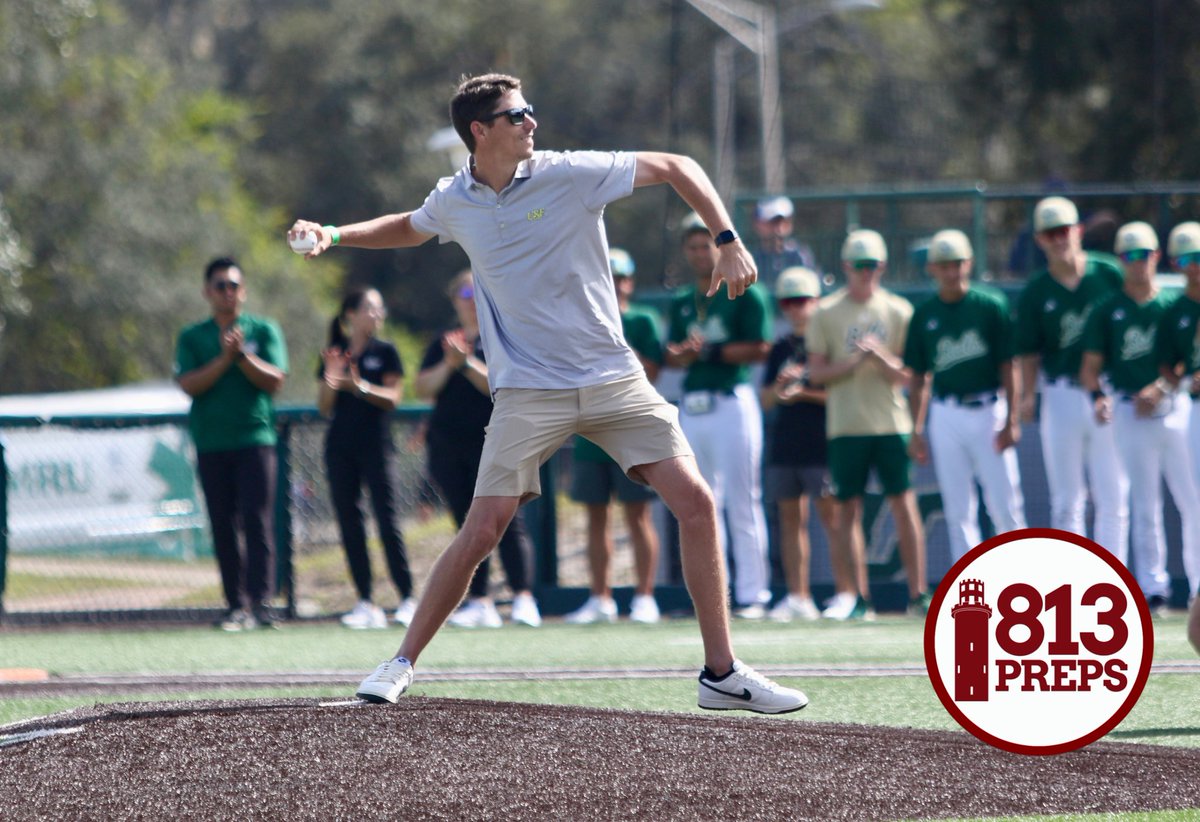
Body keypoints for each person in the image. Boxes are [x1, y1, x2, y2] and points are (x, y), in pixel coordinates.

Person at [289, 73, 806, 713]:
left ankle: (721, 675)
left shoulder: (569, 172)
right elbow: (409, 225)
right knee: (482, 529)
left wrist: (728, 239)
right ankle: (398, 664)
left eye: (529, 111)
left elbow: (679, 165)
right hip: (529, 391)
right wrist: (334, 234)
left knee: (696, 502)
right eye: (517, 115)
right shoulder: (454, 198)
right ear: (480, 131)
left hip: (613, 378)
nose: (532, 122)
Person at [807, 229, 930, 619]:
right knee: (848, 509)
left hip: (891, 423)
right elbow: (817, 373)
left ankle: (918, 594)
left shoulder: (898, 310)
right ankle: (858, 597)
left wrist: (879, 357)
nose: (866, 273)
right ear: (846, 267)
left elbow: (910, 376)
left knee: (904, 504)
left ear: (883, 267)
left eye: (873, 266)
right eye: (860, 266)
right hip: (845, 426)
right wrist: (855, 362)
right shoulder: (826, 312)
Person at [1083, 222, 1200, 615]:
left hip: (1177, 407)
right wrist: (1099, 397)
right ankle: (1154, 588)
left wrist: (1162, 388)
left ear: (1157, 257)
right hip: (1131, 408)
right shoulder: (1108, 309)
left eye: (1145, 254)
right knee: (1144, 501)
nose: (1138, 263)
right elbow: (1091, 367)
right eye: (1130, 256)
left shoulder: (1172, 305)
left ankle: (1197, 586)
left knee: (1193, 500)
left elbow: (1181, 361)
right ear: (1120, 260)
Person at [417, 270, 541, 629]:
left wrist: (467, 363)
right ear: (455, 300)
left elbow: (502, 384)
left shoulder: (501, 335)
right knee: (467, 523)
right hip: (448, 445)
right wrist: (449, 363)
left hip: (496, 442)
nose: (472, 301)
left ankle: (523, 597)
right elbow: (423, 387)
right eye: (466, 294)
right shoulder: (443, 341)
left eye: (477, 293)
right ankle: (480, 600)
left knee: (508, 520)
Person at [665, 213, 773, 619]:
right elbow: (671, 355)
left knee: (743, 500)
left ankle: (753, 594)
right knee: (701, 503)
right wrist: (682, 355)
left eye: (705, 245)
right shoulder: (681, 300)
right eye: (692, 246)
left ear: (719, 246)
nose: (699, 253)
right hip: (693, 404)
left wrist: (708, 352)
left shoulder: (743, 289)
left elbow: (760, 347)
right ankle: (714, 597)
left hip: (731, 400)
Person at [175, 257, 288, 631]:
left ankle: (262, 604)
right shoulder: (193, 337)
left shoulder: (264, 329)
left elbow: (275, 380)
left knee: (258, 522)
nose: (228, 292)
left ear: (244, 291)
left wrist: (242, 357)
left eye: (234, 285)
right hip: (212, 442)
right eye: (220, 285)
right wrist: (225, 359)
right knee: (223, 525)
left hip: (255, 439)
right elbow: (189, 384)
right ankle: (235, 606)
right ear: (207, 292)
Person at [1015, 196, 1128, 561]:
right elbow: (1029, 351)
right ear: (1039, 240)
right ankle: (1074, 579)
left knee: (1113, 493)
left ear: (1078, 230)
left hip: (1107, 389)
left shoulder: (1108, 273)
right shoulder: (1036, 291)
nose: (1059, 239)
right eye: (1050, 234)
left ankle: (1115, 578)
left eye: (1064, 230)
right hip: (1061, 391)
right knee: (1067, 499)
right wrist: (1027, 395)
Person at [904, 230, 1026, 563]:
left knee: (1005, 505)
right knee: (958, 509)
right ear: (931, 268)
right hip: (947, 411)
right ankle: (972, 583)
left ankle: (1021, 577)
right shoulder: (925, 314)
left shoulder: (990, 305)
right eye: (943, 265)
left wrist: (1012, 419)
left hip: (989, 408)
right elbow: (919, 378)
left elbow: (1009, 365)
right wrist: (916, 429)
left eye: (956, 263)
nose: (951, 271)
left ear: (969, 264)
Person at [566, 248, 663, 625]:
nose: (617, 285)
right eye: (611, 277)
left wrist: (615, 338)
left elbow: (652, 370)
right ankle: (600, 598)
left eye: (622, 278)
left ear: (630, 283)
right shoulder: (581, 318)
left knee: (638, 515)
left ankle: (645, 597)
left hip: (631, 427)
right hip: (591, 430)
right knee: (595, 516)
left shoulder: (643, 319)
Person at [318, 287, 417, 630]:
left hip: (377, 447)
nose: (377, 315)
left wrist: (359, 386)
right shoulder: (336, 351)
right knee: (350, 523)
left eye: (379, 309)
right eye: (369, 308)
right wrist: (332, 377)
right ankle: (365, 601)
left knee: (388, 521)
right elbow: (324, 406)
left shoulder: (386, 352)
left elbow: (393, 397)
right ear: (351, 314)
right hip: (340, 448)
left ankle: (407, 598)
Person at [758, 266, 838, 621]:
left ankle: (847, 593)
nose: (795, 308)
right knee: (791, 521)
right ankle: (798, 596)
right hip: (786, 443)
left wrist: (802, 391)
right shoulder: (780, 348)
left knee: (833, 519)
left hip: (821, 441)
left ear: (816, 301)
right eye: (788, 302)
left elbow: (839, 397)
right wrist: (781, 386)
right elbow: (765, 400)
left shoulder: (827, 343)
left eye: (802, 300)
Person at [751, 196, 818, 294]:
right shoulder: (752, 259)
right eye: (772, 222)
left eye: (784, 221)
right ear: (758, 224)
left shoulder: (800, 255)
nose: (779, 228)